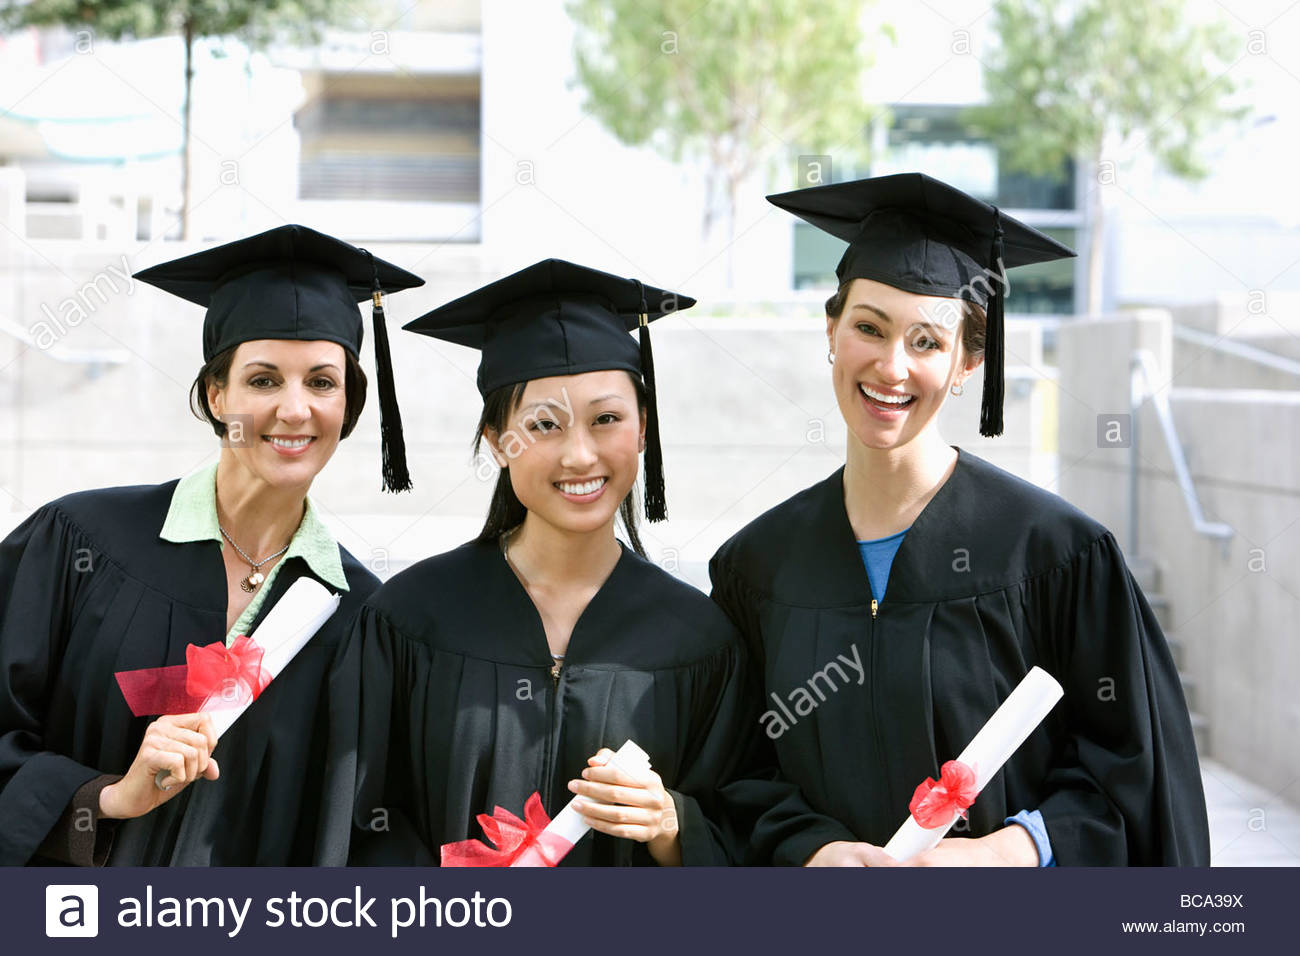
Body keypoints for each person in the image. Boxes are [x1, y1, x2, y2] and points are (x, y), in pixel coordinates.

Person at [710, 172, 1211, 866]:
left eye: (927, 341)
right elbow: (731, 772)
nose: (892, 366)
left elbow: (1136, 773)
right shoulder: (757, 568)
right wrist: (812, 848)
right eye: (868, 327)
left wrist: (1008, 851)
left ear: (968, 363)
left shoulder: (1056, 556)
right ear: (832, 331)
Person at [0, 224, 422, 865]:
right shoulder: (78, 542)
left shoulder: (364, 616)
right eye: (263, 381)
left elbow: (370, 827)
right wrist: (104, 799)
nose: (295, 410)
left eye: (321, 382)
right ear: (216, 394)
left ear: (349, 405)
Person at [325, 259, 751, 866]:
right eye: (544, 425)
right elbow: (356, 826)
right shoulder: (410, 619)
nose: (579, 455)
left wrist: (670, 825)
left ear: (643, 432)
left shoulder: (700, 641)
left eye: (607, 419)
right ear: (498, 442)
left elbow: (746, 837)